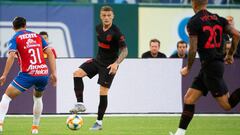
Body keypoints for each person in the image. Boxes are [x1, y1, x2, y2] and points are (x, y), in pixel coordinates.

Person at [169, 0, 240, 135]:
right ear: (206, 3)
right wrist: (230, 54)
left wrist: (188, 68)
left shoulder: (194, 22)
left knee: (227, 105)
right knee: (189, 98)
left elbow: (193, 48)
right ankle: (180, 133)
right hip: (211, 66)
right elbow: (237, 35)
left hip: (211, 67)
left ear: (193, 4)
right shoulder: (219, 19)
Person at [69, 6, 128, 131]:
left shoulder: (117, 33)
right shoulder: (98, 28)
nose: (106, 18)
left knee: (103, 92)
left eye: (109, 15)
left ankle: (99, 123)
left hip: (109, 65)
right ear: (100, 16)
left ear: (113, 16)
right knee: (77, 73)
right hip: (97, 61)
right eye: (104, 15)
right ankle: (80, 104)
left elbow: (125, 50)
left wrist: (116, 63)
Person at [0, 17, 57, 134]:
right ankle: (35, 128)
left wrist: (4, 75)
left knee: (6, 97)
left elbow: (11, 56)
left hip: (28, 73)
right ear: (25, 25)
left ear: (13, 27)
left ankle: (0, 124)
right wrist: (54, 72)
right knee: (38, 98)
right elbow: (50, 52)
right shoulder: (37, 36)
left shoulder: (15, 37)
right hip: (42, 73)